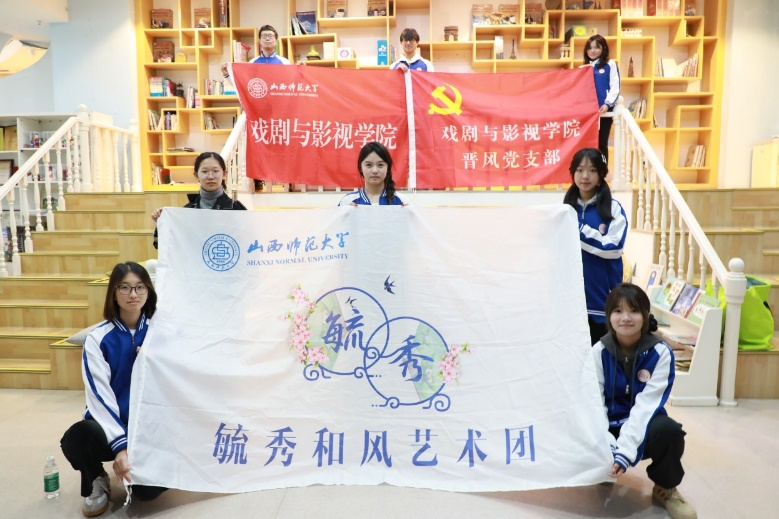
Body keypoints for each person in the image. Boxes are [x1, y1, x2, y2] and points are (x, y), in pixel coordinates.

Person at [60, 262, 166, 517]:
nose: (133, 294)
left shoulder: (161, 333)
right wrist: (120, 446)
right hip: (111, 427)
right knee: (78, 437)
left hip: (149, 427)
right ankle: (96, 478)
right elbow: (100, 397)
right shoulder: (98, 339)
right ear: (113, 293)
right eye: (125, 287)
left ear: (149, 291)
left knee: (148, 493)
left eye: (140, 287)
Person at [593, 283, 697, 519]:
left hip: (644, 423)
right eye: (618, 311)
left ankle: (665, 487)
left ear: (645, 315)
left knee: (670, 432)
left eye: (634, 311)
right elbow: (594, 404)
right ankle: (602, 468)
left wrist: (624, 451)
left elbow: (646, 407)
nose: (625, 318)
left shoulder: (660, 353)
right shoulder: (598, 351)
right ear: (609, 316)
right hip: (608, 425)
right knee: (576, 424)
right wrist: (606, 444)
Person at [563, 148, 627, 345]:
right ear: (573, 173)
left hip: (602, 306)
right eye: (580, 170)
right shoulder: (564, 210)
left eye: (592, 170)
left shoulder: (613, 208)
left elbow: (614, 247)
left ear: (600, 176)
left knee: (601, 360)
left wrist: (578, 229)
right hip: (570, 306)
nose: (585, 176)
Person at [151, 151, 247, 248]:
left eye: (215, 171)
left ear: (224, 174)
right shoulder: (186, 212)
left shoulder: (237, 209)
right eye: (205, 171)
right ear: (196, 175)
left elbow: (247, 243)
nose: (210, 176)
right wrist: (160, 224)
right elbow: (166, 246)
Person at [582, 34, 620, 162]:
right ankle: (589, 171)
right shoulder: (583, 68)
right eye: (590, 48)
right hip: (587, 114)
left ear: (603, 48)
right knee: (587, 144)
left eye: (596, 47)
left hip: (604, 112)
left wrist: (607, 104)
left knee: (601, 143)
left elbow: (615, 87)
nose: (592, 51)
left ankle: (602, 171)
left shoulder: (610, 64)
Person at [338, 141, 404, 206]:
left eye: (380, 165)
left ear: (388, 168)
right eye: (369, 165)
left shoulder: (401, 201)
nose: (375, 171)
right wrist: (347, 211)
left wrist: (406, 211)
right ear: (360, 168)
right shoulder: (347, 201)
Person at [220, 24, 290, 79]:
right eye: (264, 36)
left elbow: (291, 83)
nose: (267, 38)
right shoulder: (252, 63)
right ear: (260, 41)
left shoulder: (285, 62)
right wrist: (226, 75)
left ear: (276, 42)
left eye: (270, 36)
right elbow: (243, 85)